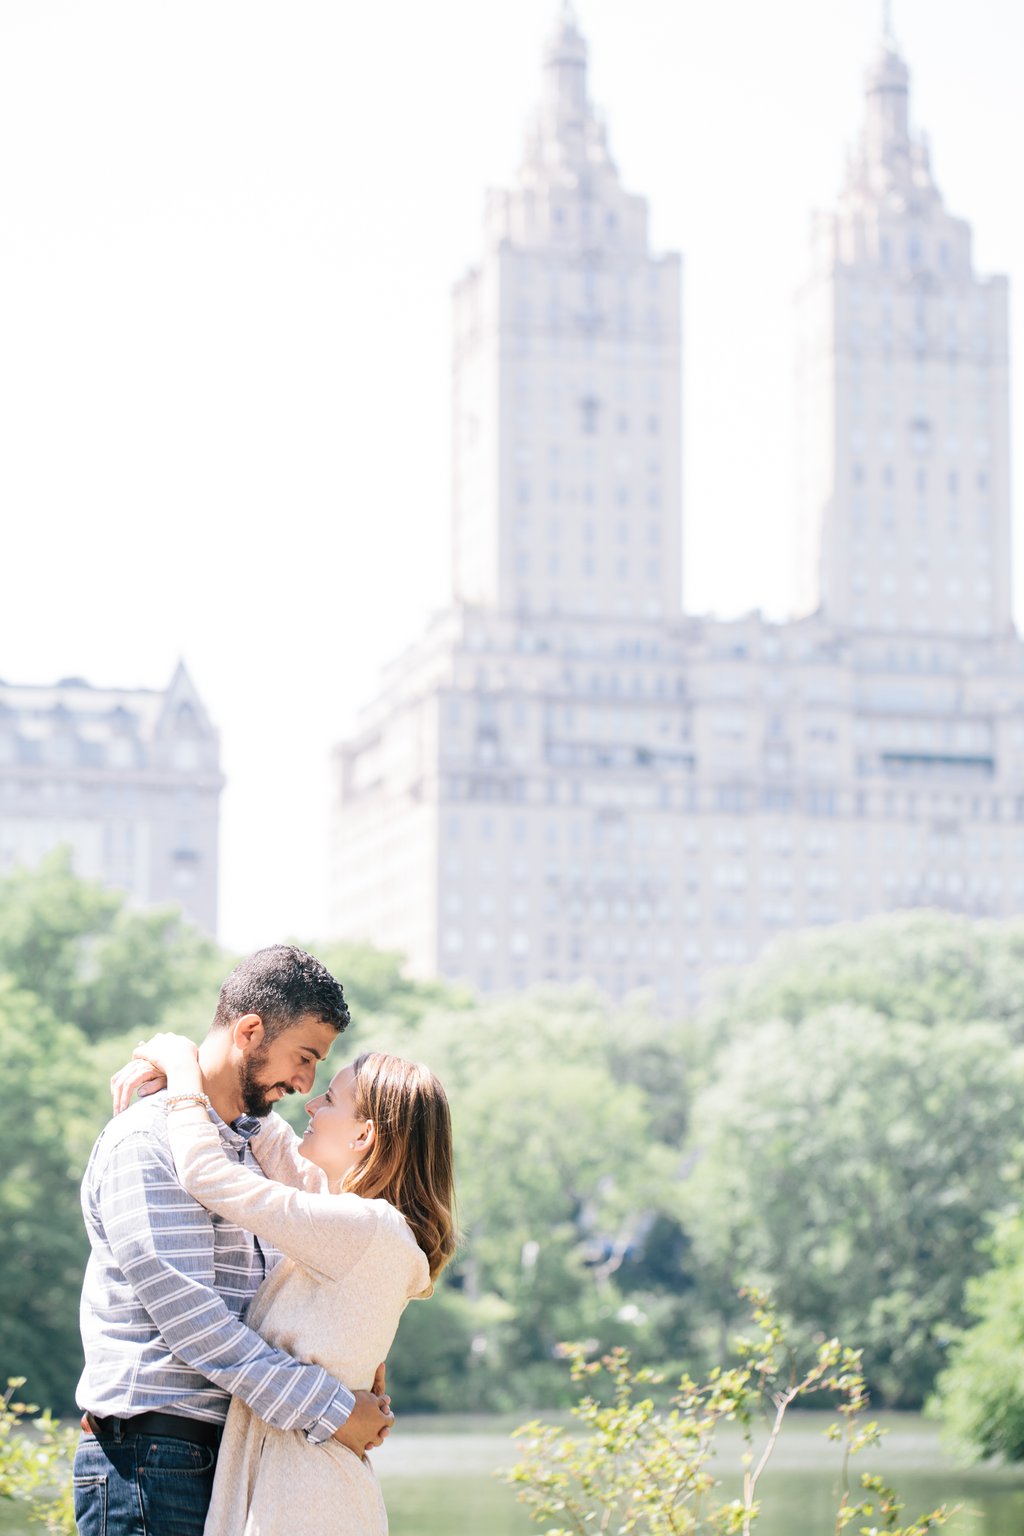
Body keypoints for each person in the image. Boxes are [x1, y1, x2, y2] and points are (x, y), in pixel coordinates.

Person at [73, 945, 395, 1536]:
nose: (305, 1084)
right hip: (153, 1458)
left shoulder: (257, 1149)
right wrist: (332, 1409)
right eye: (303, 1057)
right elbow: (196, 1322)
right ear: (250, 1031)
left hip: (237, 1461)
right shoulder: (146, 1142)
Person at [125, 1029, 457, 1536]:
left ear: (364, 1135)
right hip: (308, 1487)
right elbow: (278, 1156)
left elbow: (206, 1174)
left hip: (304, 1499)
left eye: (329, 1099)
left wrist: (184, 1072)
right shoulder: (365, 1230)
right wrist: (222, 1080)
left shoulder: (361, 1230)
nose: (309, 1106)